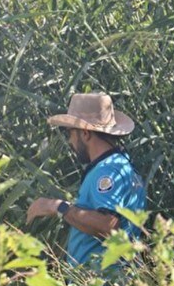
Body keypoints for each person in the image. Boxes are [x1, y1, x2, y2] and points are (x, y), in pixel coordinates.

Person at [26, 92, 146, 269]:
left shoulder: (108, 171)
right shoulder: (119, 164)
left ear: (85, 133)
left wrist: (57, 207)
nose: (70, 141)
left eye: (71, 133)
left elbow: (108, 226)